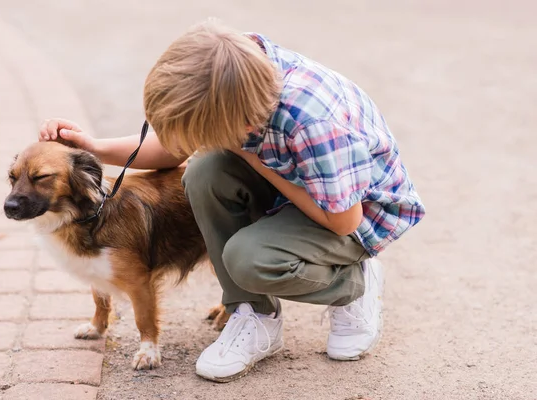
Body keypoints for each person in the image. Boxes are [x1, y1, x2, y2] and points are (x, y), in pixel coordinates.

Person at [39, 19, 425, 383]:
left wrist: (252, 157)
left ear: (239, 124)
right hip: (295, 184)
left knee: (248, 259)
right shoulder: (227, 77)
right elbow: (172, 152)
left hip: (355, 214)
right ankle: (254, 313)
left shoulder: (314, 123)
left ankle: (354, 280)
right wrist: (92, 147)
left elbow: (342, 220)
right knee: (203, 169)